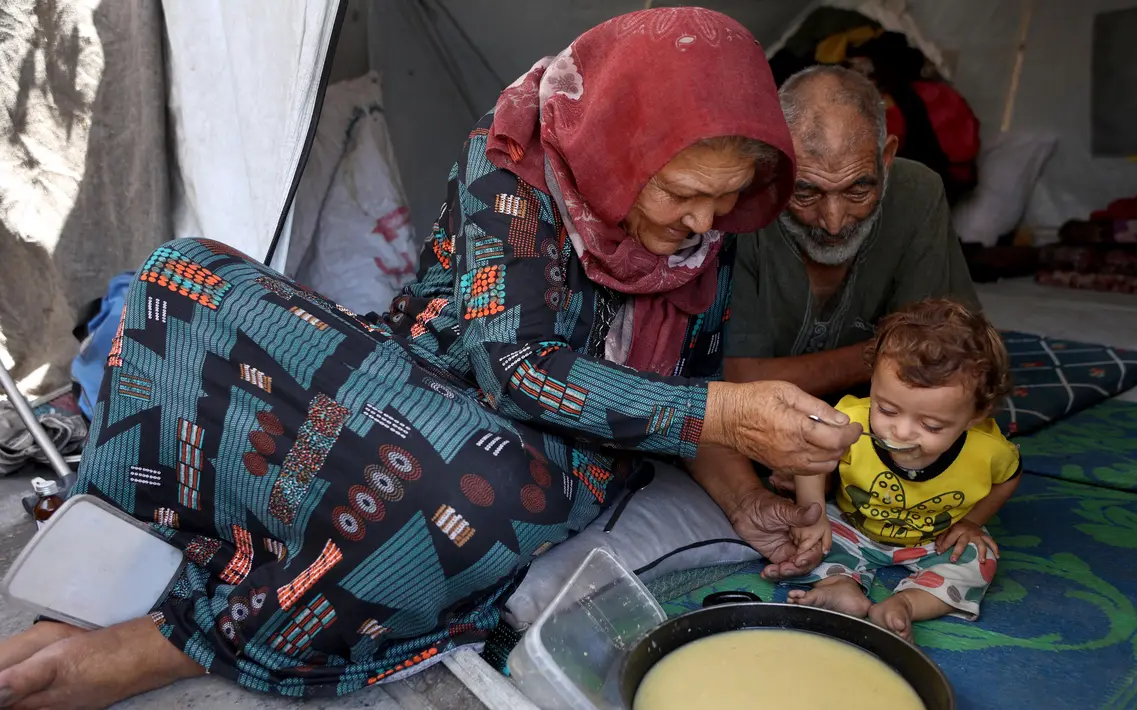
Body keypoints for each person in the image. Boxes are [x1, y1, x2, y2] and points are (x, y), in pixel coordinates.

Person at [0, 9, 862, 707]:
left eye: (724, 200)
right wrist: (730, 416)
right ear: (621, 142)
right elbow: (513, 364)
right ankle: (139, 560)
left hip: (550, 456)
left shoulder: (702, 236)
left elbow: (679, 389)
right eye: (680, 193)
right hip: (428, 371)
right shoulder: (516, 164)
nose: (704, 226)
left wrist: (746, 498)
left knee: (462, 491)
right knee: (180, 280)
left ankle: (181, 640)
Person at [724, 65, 978, 404]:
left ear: (886, 159)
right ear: (774, 165)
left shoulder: (918, 192)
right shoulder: (742, 203)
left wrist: (919, 350)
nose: (833, 222)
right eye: (806, 192)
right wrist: (892, 352)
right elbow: (737, 381)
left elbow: (947, 352)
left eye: (858, 189)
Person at [787, 298, 1020, 642]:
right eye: (887, 409)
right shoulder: (849, 420)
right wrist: (815, 512)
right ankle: (840, 585)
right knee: (803, 537)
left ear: (974, 416)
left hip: (932, 543)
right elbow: (811, 457)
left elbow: (1008, 479)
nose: (901, 431)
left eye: (931, 425)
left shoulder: (989, 450)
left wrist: (972, 523)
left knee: (979, 559)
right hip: (853, 528)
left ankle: (906, 604)